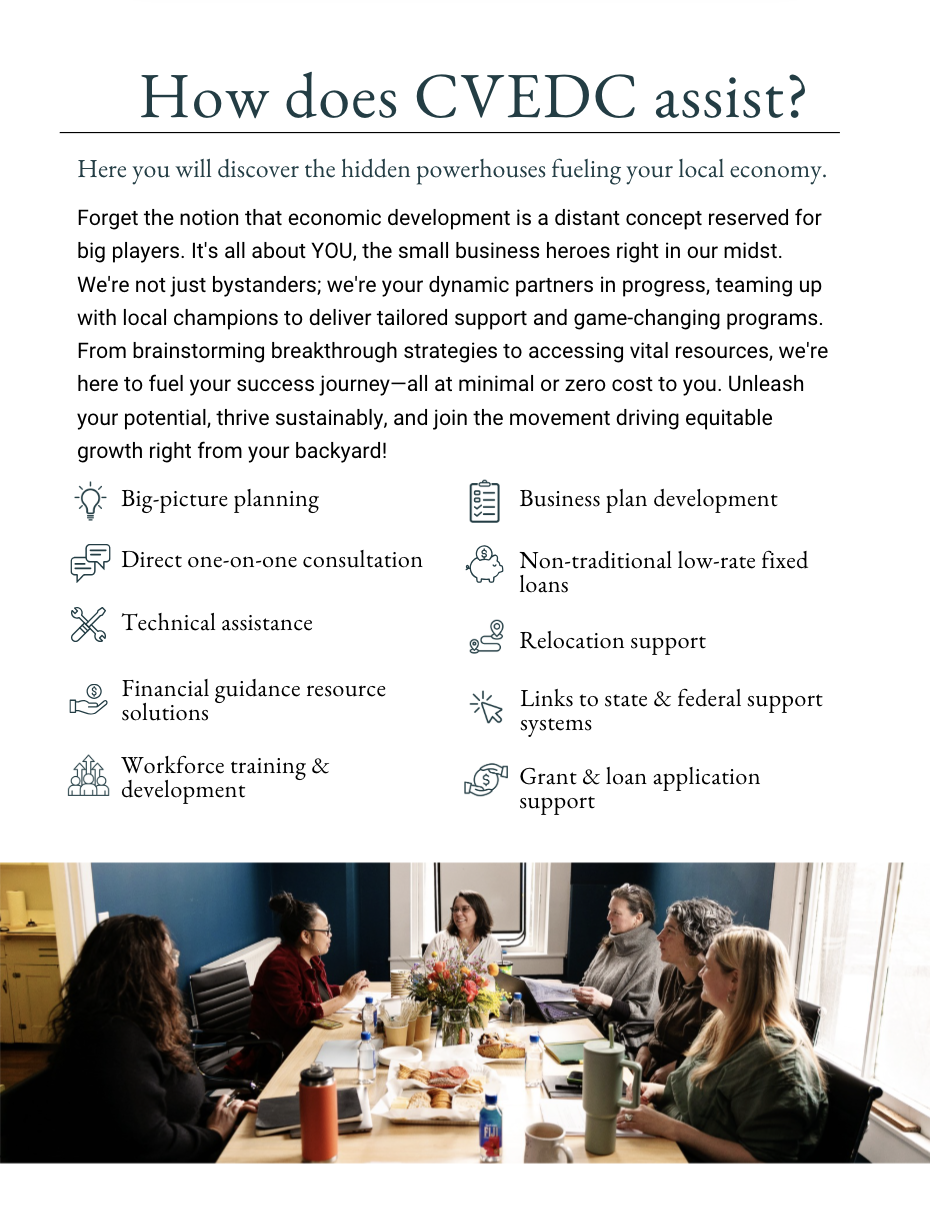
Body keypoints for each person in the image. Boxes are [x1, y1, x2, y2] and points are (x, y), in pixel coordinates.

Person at [46, 914, 254, 1162]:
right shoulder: (114, 1041)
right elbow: (150, 1142)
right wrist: (215, 1135)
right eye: (169, 958)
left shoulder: (146, 1024)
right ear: (141, 971)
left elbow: (181, 1104)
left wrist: (229, 1112)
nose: (175, 965)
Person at [617, 926, 828, 1162]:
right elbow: (708, 1097)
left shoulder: (779, 1064)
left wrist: (669, 1127)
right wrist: (658, 1092)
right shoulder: (724, 1022)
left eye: (707, 966)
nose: (700, 974)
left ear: (734, 979)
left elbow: (763, 1162)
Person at [250, 892, 369, 1061]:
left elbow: (316, 995)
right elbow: (298, 1015)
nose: (330, 935)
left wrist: (348, 988)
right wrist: (343, 998)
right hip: (278, 1052)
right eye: (326, 930)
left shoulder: (309, 959)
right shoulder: (279, 965)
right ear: (306, 936)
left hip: (304, 1038)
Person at [635, 897, 735, 1083]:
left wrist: (678, 1067)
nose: (659, 936)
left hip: (683, 1085)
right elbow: (659, 1028)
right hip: (650, 1077)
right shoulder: (669, 974)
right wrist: (646, 1047)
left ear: (694, 941)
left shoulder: (713, 991)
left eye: (670, 931)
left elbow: (713, 1054)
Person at [572, 883, 660, 1038]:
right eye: (609, 910)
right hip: (586, 1020)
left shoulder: (652, 953)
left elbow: (642, 1012)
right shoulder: (611, 943)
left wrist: (603, 1000)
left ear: (637, 918)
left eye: (616, 913)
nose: (608, 917)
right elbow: (585, 982)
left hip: (616, 1036)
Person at [426, 891, 502, 967]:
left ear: (479, 912)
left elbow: (495, 977)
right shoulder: (440, 939)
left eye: (465, 909)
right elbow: (422, 973)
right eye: (455, 909)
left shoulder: (492, 944)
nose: (458, 913)